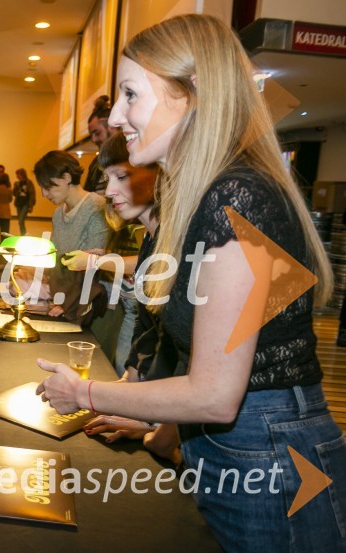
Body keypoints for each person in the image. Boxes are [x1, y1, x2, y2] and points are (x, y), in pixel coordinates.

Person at [36, 15, 344, 552]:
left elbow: (216, 394)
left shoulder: (237, 199)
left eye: (131, 94)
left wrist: (82, 393)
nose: (115, 115)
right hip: (238, 452)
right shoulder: (209, 197)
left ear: (192, 95)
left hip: (272, 456)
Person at [62, 133, 157, 376]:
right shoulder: (147, 232)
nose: (108, 192)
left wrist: (97, 260)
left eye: (121, 177)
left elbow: (157, 263)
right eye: (105, 182)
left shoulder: (169, 231)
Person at [23, 150, 110, 318]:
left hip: (84, 300)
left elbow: (94, 268)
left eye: (48, 187)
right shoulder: (58, 214)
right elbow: (56, 259)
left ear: (67, 178)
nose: (44, 194)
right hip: (61, 292)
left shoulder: (96, 207)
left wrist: (68, 301)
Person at [84, 95, 118, 195]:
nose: (93, 140)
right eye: (91, 135)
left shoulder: (132, 159)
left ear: (112, 128)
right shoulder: (95, 164)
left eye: (97, 133)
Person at [12, 168, 36, 236]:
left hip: (26, 203)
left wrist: (31, 206)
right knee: (20, 221)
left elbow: (32, 194)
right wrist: (15, 187)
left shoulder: (29, 182)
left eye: (18, 174)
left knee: (21, 220)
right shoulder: (17, 183)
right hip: (18, 203)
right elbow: (13, 193)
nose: (17, 176)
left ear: (22, 174)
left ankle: (23, 234)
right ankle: (23, 234)